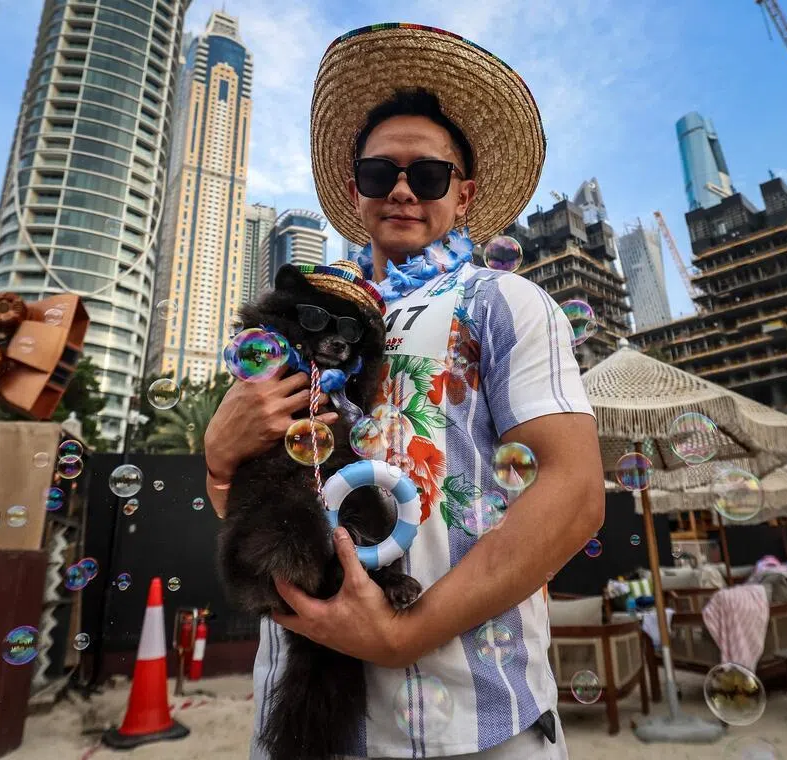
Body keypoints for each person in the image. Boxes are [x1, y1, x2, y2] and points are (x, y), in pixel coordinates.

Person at [204, 23, 603, 760]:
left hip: (470, 722)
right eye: (379, 171)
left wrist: (403, 634)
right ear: (355, 190)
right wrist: (217, 460)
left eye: (426, 176)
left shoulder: (500, 300)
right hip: (300, 719)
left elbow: (576, 493)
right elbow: (254, 507)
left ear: (465, 193)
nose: (400, 190)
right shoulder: (298, 326)